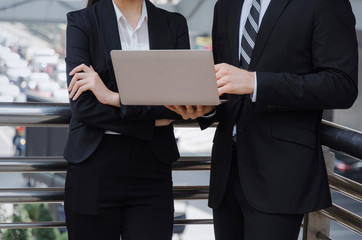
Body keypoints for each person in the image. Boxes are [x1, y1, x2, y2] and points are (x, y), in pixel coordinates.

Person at [166, 0, 359, 239]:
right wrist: (204, 109)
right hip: (226, 172)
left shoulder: (322, 3)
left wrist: (256, 83)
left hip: (280, 173)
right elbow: (226, 84)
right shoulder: (225, 5)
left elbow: (341, 86)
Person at [63, 0, 190, 239]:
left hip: (152, 170)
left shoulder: (174, 24)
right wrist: (150, 122)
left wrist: (114, 98)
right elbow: (83, 107)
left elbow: (177, 105)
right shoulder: (82, 21)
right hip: (94, 166)